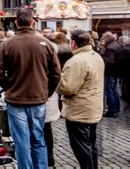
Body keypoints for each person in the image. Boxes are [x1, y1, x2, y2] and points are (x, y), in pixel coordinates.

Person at [0, 8, 61, 169]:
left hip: (16, 100)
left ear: (16, 23)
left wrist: (9, 87)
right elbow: (56, 74)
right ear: (33, 22)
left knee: (22, 141)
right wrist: (46, 92)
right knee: (38, 138)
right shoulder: (46, 44)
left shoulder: (7, 44)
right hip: (38, 99)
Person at [57, 30, 105, 169]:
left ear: (73, 42)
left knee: (82, 148)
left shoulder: (76, 61)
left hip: (80, 111)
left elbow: (67, 88)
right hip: (92, 108)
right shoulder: (95, 56)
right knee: (90, 145)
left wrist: (57, 79)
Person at [100, 32, 122, 117]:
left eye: (103, 38)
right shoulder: (116, 44)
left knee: (109, 91)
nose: (102, 40)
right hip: (115, 71)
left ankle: (112, 111)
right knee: (114, 91)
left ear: (106, 38)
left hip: (110, 72)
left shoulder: (110, 48)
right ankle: (116, 108)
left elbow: (109, 61)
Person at [119, 36, 130, 102]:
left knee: (125, 83)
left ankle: (125, 96)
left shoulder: (124, 49)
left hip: (125, 70)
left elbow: (121, 60)